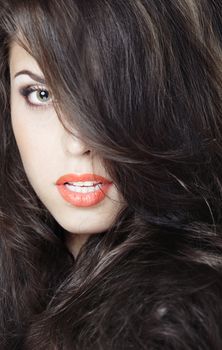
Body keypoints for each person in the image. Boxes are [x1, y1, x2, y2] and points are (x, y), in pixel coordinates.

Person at [0, 0, 222, 349]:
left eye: (107, 93)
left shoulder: (178, 315)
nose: (77, 143)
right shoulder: (18, 262)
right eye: (41, 94)